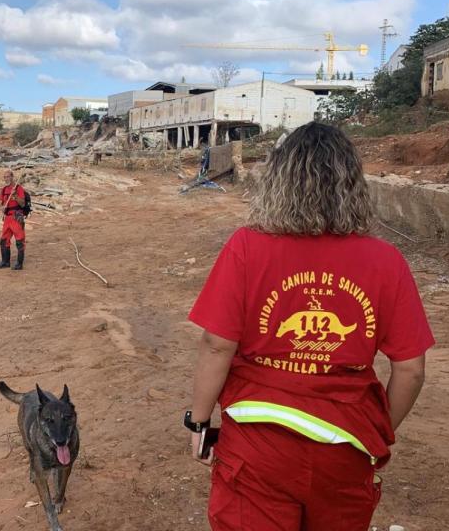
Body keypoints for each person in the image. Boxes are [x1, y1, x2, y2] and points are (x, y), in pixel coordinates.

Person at [185, 122, 434, 531]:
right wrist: (374, 435)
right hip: (345, 447)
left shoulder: (247, 245)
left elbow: (216, 344)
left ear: (279, 180)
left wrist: (198, 422)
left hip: (257, 442)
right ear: (352, 184)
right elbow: (411, 370)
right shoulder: (386, 260)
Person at [0, 169, 26, 271]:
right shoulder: (3, 190)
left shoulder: (18, 188)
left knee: (19, 241)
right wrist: (1, 207)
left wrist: (15, 195)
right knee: (4, 240)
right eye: (5, 177)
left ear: (12, 177)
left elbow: (22, 204)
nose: (6, 179)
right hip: (7, 218)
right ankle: (5, 262)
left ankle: (19, 264)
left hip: (16, 218)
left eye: (8, 177)